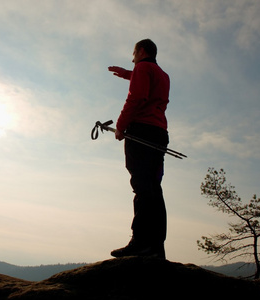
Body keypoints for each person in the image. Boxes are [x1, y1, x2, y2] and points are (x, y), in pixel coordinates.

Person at [108, 39, 170, 259]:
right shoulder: (162, 74)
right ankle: (155, 246)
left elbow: (137, 97)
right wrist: (127, 74)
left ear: (141, 51)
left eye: (133, 53)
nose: (132, 57)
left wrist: (121, 126)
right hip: (159, 133)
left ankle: (140, 242)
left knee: (142, 187)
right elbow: (148, 84)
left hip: (141, 132)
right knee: (154, 188)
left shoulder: (142, 68)